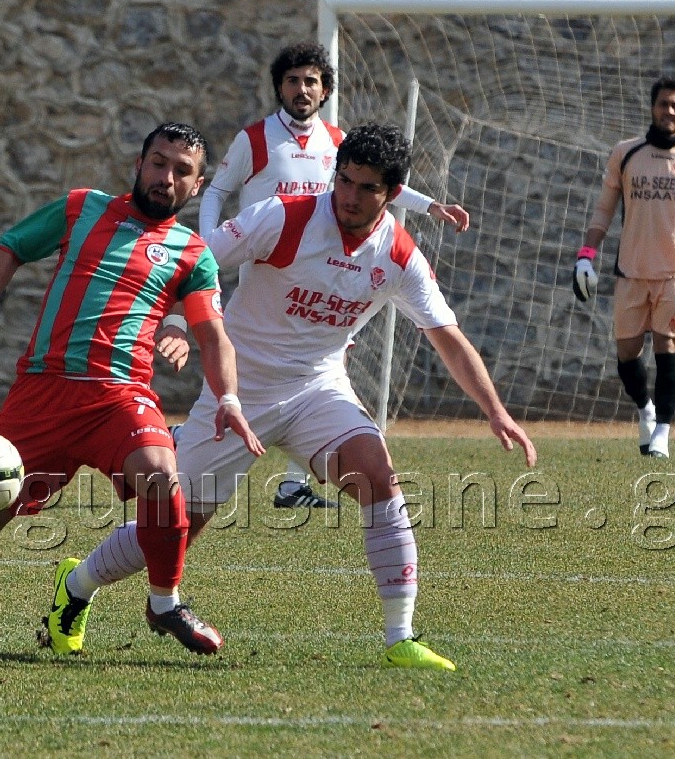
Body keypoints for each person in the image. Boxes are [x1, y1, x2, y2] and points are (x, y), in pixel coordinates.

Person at [41, 124, 536, 671]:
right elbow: (195, 259)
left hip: (317, 388)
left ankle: (401, 637)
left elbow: (447, 335)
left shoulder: (398, 253)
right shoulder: (283, 215)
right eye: (343, 180)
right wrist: (180, 320)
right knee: (177, 527)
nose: (349, 196)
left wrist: (495, 411)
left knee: (377, 474)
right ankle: (78, 583)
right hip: (240, 391)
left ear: (392, 195)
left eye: (366, 188)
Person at [0, 122, 265, 663]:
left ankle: (165, 602)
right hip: (42, 393)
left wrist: (228, 398)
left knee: (161, 472)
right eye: (158, 163)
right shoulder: (81, 208)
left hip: (118, 395)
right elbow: (11, 245)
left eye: (182, 171)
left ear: (198, 186)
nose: (167, 177)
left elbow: (213, 334)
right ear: (139, 166)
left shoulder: (191, 252)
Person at [192, 41, 471, 510]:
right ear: (280, 86)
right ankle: (207, 435)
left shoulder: (339, 143)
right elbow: (216, 192)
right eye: (293, 80)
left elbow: (380, 184)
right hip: (264, 268)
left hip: (324, 271)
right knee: (257, 374)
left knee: (326, 368)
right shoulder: (254, 139)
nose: (302, 89)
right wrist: (209, 258)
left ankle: (291, 483)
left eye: (311, 81)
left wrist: (430, 206)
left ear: (324, 91)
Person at [571, 76, 675, 459]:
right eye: (663, 103)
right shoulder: (626, 154)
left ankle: (663, 432)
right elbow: (605, 207)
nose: (669, 111)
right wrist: (586, 255)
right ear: (652, 108)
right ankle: (645, 408)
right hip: (630, 270)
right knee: (627, 355)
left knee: (667, 347)